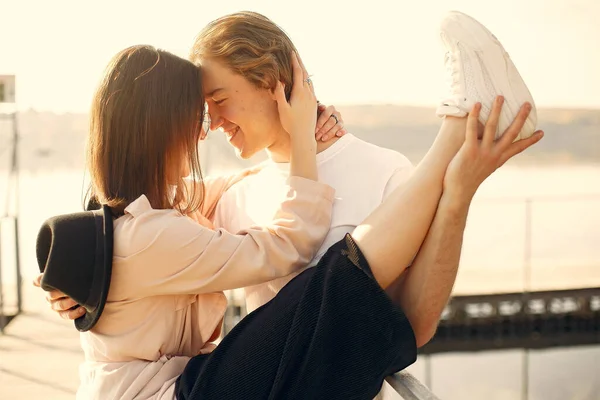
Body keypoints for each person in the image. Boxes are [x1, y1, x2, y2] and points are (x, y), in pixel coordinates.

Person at [37, 10, 543, 400]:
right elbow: (142, 230)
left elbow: (413, 324)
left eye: (217, 100)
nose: (209, 124)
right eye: (200, 109)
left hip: (302, 382)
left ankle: (459, 128)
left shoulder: (384, 172)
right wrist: (73, 280)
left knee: (333, 288)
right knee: (329, 283)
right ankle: (454, 130)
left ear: (276, 84)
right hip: (219, 388)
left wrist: (458, 193)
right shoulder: (221, 206)